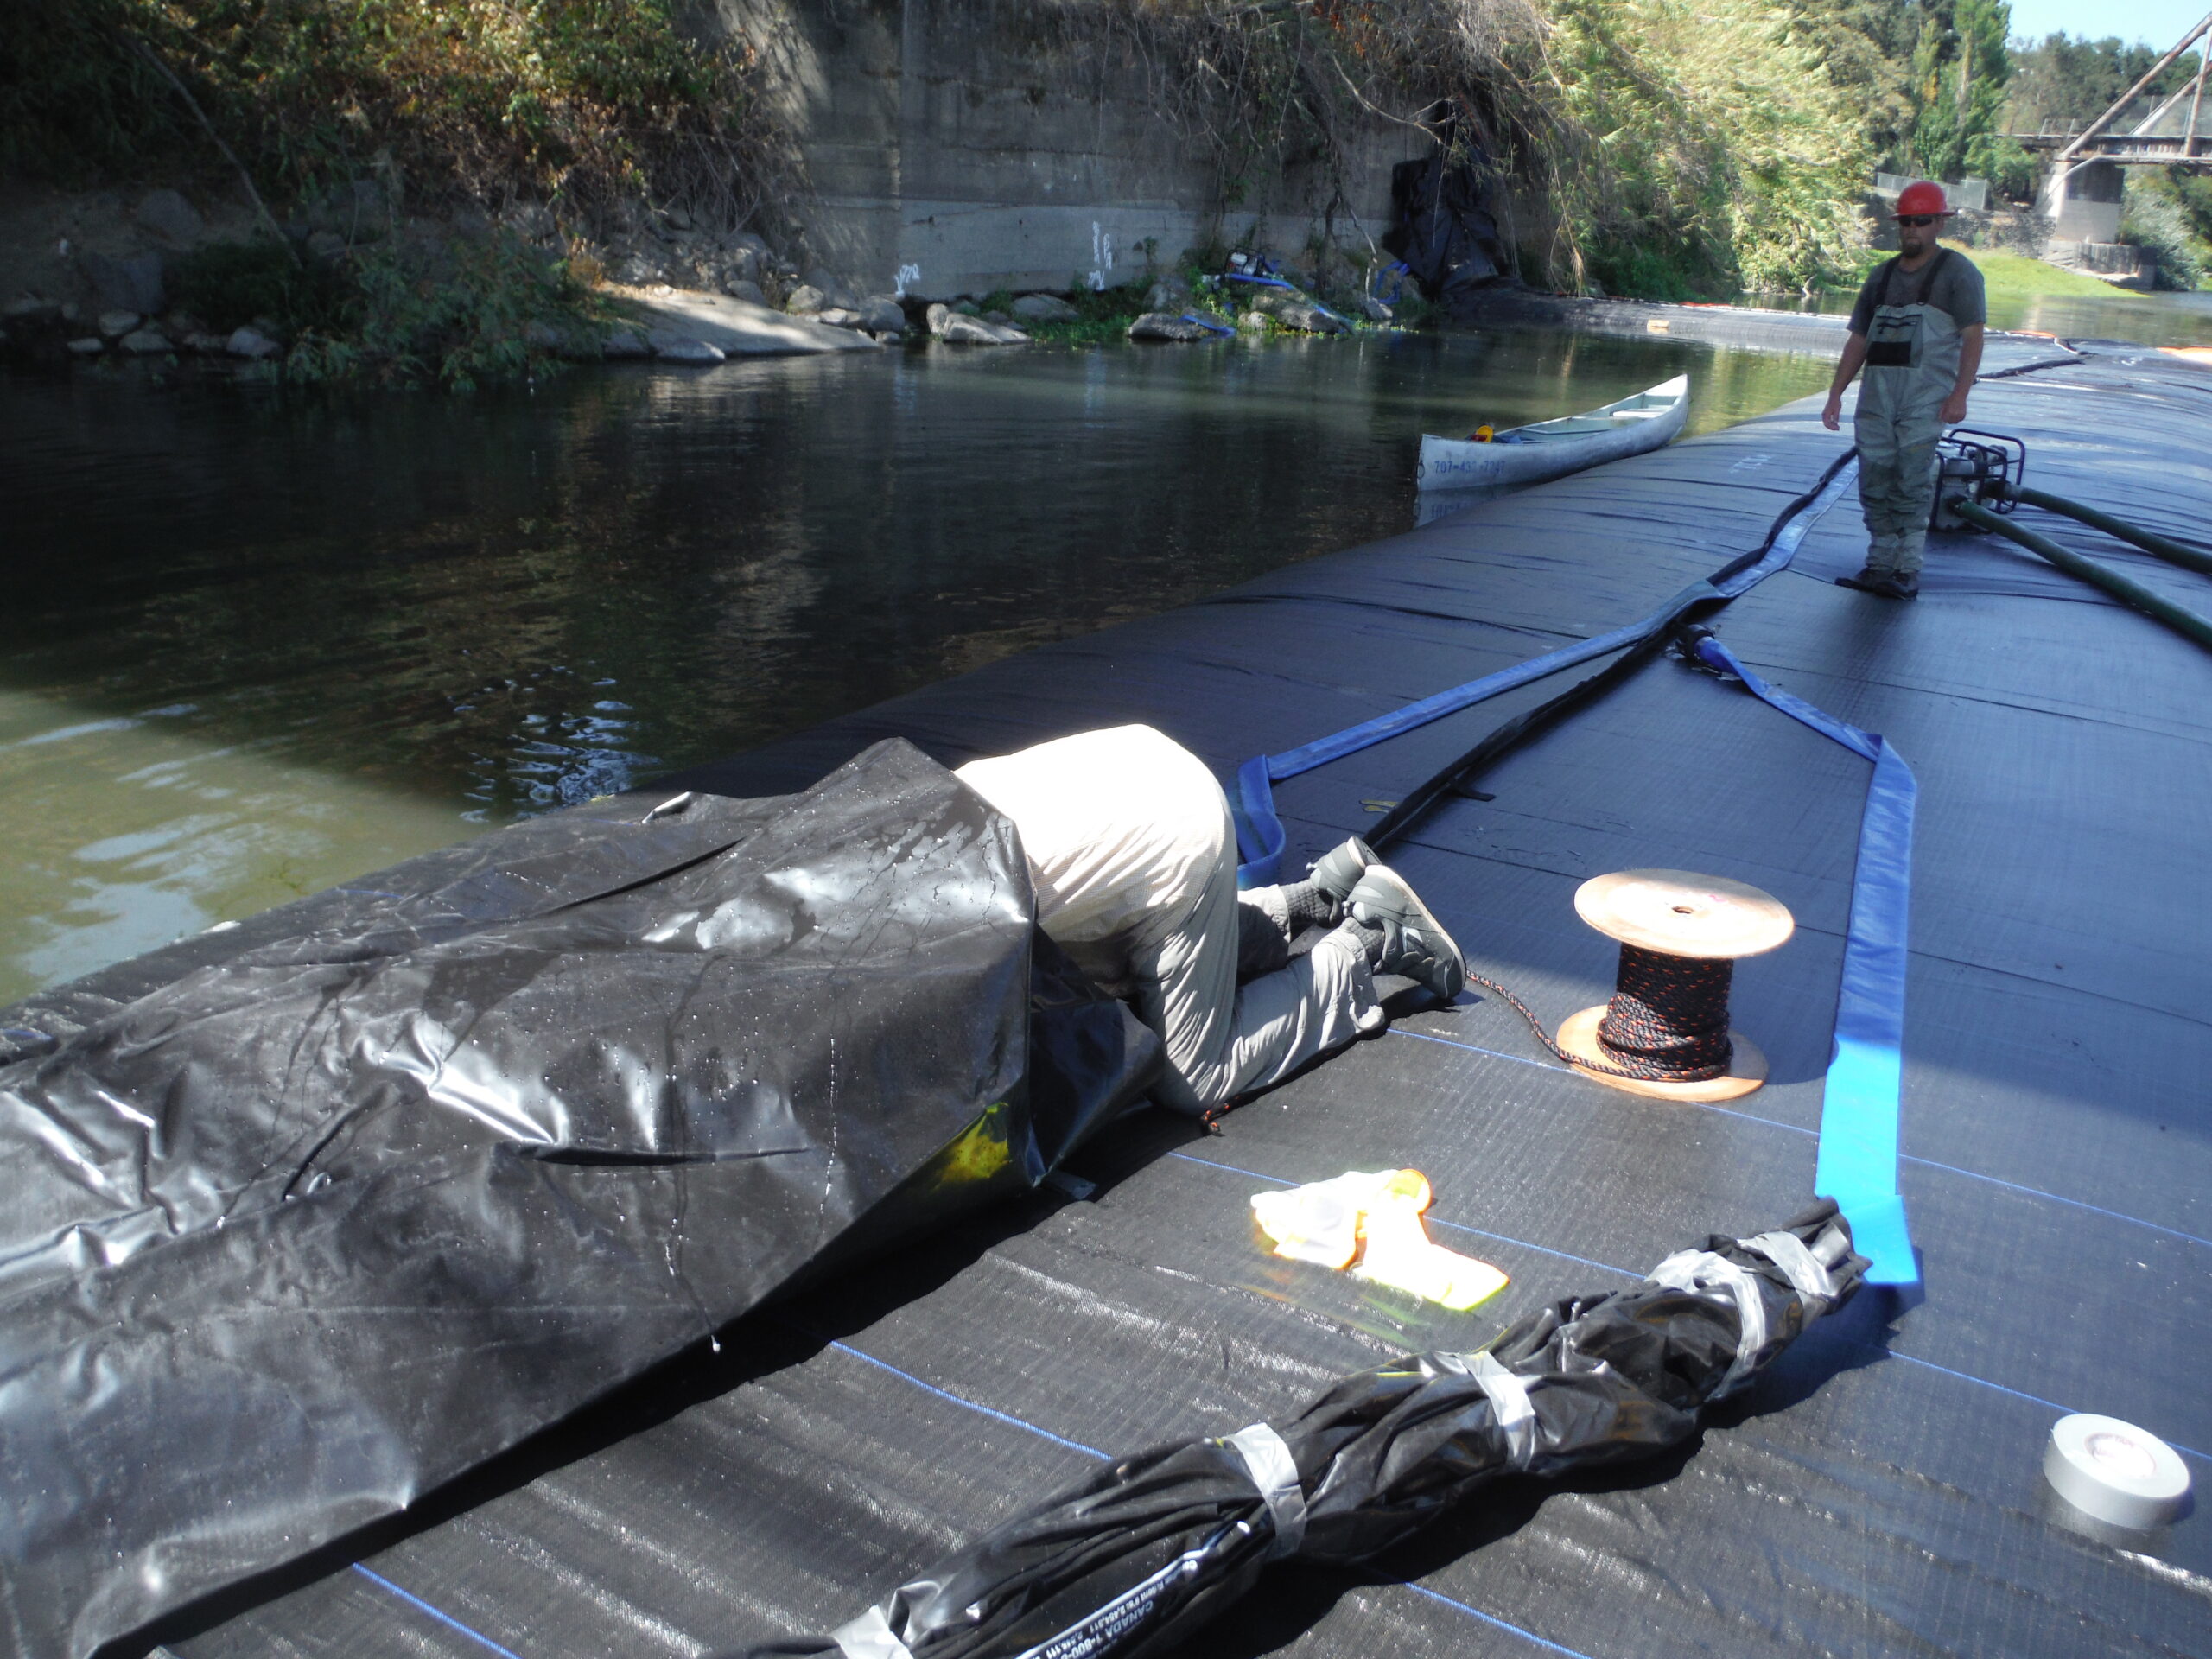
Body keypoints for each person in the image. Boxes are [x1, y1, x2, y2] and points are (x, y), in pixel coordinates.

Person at [954, 724, 1465, 1114]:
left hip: (1170, 837)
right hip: (1124, 771)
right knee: (1081, 970)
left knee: (1193, 1077)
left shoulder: (935, 925)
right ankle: (1313, 898)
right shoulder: (885, 827)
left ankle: (1371, 937)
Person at [1821, 180, 1987, 600]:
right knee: (1874, 478)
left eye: (1922, 221)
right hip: (1876, 398)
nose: (1913, 229)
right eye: (1906, 222)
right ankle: (1878, 565)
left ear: (1939, 224)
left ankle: (1907, 568)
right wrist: (1836, 394)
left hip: (1924, 398)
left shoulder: (1958, 273)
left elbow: (1973, 336)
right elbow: (1858, 339)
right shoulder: (1880, 278)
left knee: (1912, 479)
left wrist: (1960, 395)